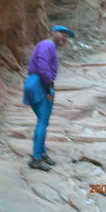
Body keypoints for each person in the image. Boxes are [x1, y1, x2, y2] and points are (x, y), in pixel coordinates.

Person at [23, 25, 75, 171]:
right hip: (40, 84)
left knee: (43, 121)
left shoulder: (50, 47)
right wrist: (49, 86)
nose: (65, 38)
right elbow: (42, 66)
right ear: (53, 33)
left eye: (67, 36)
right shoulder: (47, 44)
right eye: (62, 34)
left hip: (39, 84)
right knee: (43, 121)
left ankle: (41, 153)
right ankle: (37, 158)